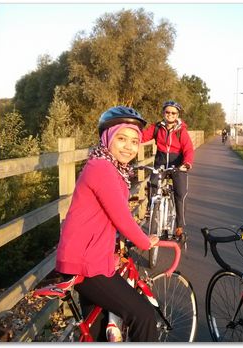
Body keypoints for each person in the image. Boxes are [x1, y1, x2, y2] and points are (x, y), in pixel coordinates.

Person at [55, 106, 160, 342]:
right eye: (121, 138)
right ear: (107, 138)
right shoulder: (101, 168)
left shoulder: (110, 167)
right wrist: (144, 241)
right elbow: (121, 216)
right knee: (142, 314)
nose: (129, 146)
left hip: (88, 257)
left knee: (99, 330)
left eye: (134, 141)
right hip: (84, 262)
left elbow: (105, 216)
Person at [141, 100, 194, 243]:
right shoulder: (157, 128)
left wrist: (187, 164)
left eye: (173, 113)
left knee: (180, 193)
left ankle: (180, 226)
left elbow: (188, 149)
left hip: (178, 163)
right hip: (161, 161)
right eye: (167, 112)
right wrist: (129, 136)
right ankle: (151, 209)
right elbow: (142, 136)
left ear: (177, 115)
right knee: (152, 184)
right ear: (163, 113)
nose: (170, 115)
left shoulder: (181, 131)